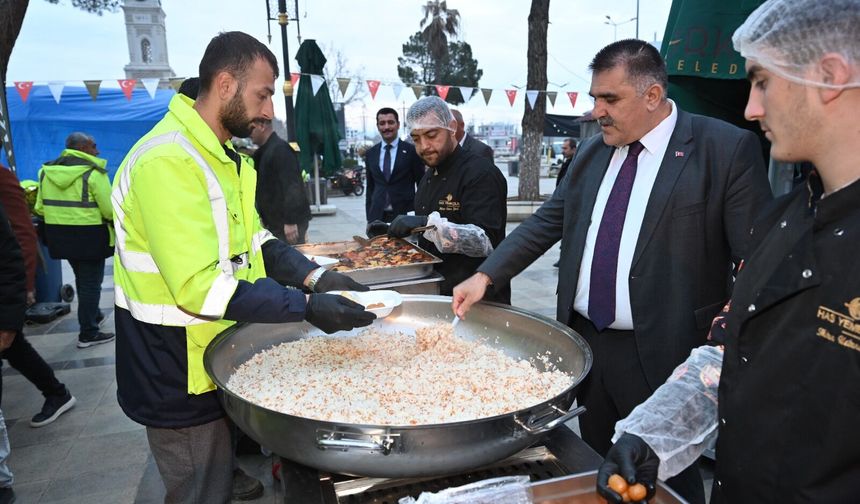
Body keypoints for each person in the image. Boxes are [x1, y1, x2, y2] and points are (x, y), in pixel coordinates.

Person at [452, 39, 772, 502]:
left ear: (652, 96)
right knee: (599, 467)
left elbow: (755, 260)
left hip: (668, 352)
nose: (597, 110)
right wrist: (486, 275)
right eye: (595, 97)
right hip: (587, 344)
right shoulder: (594, 152)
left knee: (665, 481)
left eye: (610, 99)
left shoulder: (723, 149)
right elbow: (548, 220)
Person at [597, 1, 860, 502]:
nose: (751, 108)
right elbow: (730, 350)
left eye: (762, 80)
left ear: (829, 76)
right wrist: (653, 435)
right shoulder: (785, 216)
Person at [112, 31, 375, 504]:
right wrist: (308, 307)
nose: (270, 110)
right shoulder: (168, 160)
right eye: (264, 93)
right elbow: (199, 287)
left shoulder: (222, 156)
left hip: (211, 349)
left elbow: (256, 239)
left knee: (218, 476)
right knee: (200, 490)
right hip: (173, 366)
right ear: (226, 84)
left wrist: (316, 276)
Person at [388, 96, 510, 303]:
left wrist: (427, 224)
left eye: (431, 135)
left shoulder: (480, 173)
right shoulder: (429, 176)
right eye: (416, 138)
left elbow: (485, 241)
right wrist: (393, 228)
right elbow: (433, 225)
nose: (424, 146)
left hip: (477, 298)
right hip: (439, 290)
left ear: (452, 127)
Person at [0, 166, 76, 428]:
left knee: (13, 344)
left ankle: (57, 392)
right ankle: (57, 392)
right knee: (16, 349)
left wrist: (23, 289)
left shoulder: (2, 177)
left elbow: (22, 234)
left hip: (6, 291)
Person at [34, 132, 114, 349]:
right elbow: (109, 210)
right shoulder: (94, 174)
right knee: (90, 284)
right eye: (93, 146)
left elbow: (40, 208)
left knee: (83, 279)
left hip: (60, 237)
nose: (97, 151)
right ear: (83, 148)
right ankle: (88, 332)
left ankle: (94, 315)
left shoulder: (45, 172)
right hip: (91, 238)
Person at [249, 119, 311, 244]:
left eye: (252, 128)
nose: (249, 133)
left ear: (262, 126)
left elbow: (292, 185)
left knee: (292, 260)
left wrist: (290, 221)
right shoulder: (267, 150)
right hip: (276, 222)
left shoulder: (280, 150)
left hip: (286, 224)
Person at [364, 107, 426, 223]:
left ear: (398, 125)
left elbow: (422, 185)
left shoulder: (412, 151)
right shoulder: (371, 154)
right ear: (378, 126)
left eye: (390, 122)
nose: (386, 127)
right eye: (382, 123)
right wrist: (369, 217)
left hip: (405, 216)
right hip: (377, 216)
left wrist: (419, 215)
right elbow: (370, 188)